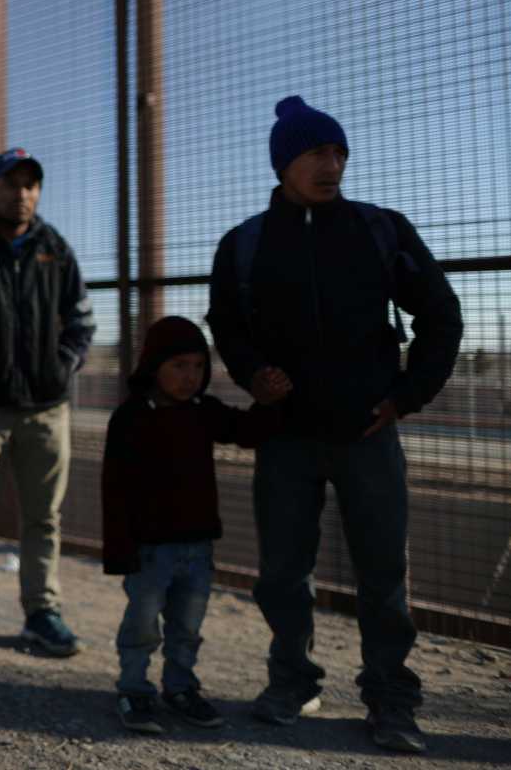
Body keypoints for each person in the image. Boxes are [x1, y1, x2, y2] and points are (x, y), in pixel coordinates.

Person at [206, 95, 462, 754]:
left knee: (383, 574)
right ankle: (292, 681)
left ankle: (391, 698)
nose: (333, 164)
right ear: (285, 162)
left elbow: (441, 313)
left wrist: (406, 397)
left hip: (369, 434)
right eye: (318, 152)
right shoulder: (245, 245)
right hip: (286, 437)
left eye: (339, 152)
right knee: (283, 572)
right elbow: (229, 329)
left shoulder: (381, 230)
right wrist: (253, 373)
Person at [0, 146, 96, 657]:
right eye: (11, 184)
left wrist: (61, 365)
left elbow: (82, 320)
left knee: (44, 518)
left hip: (46, 407)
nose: (22, 193)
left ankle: (42, 611)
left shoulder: (56, 248)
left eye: (31, 185)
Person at [101, 315, 287, 734]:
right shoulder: (130, 418)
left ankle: (180, 688)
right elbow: (114, 489)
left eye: (198, 366)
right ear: (154, 366)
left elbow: (247, 431)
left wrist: (271, 402)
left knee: (187, 628)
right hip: (148, 551)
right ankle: (134, 691)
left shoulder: (204, 412)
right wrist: (119, 551)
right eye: (179, 366)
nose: (190, 377)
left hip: (197, 549)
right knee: (142, 627)